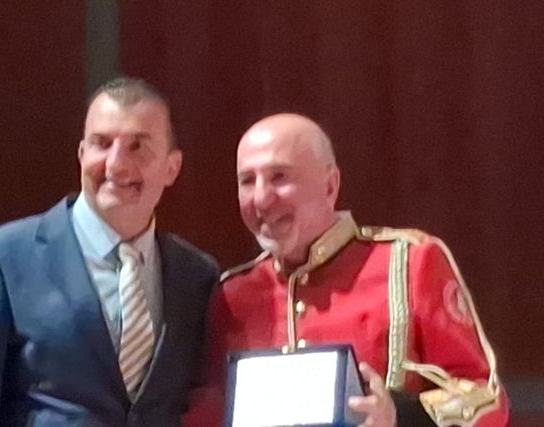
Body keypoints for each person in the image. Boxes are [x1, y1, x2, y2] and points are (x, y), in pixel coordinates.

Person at [184, 113, 509, 427]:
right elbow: (207, 410)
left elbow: (485, 397)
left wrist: (400, 416)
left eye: (279, 177)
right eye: (247, 181)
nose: (261, 198)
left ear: (330, 186)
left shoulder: (409, 262)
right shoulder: (232, 295)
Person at [0, 77, 219, 426]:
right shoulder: (1, 260)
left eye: (137, 146)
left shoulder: (196, 276)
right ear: (82, 154)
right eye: (102, 144)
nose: (116, 165)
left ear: (172, 167)